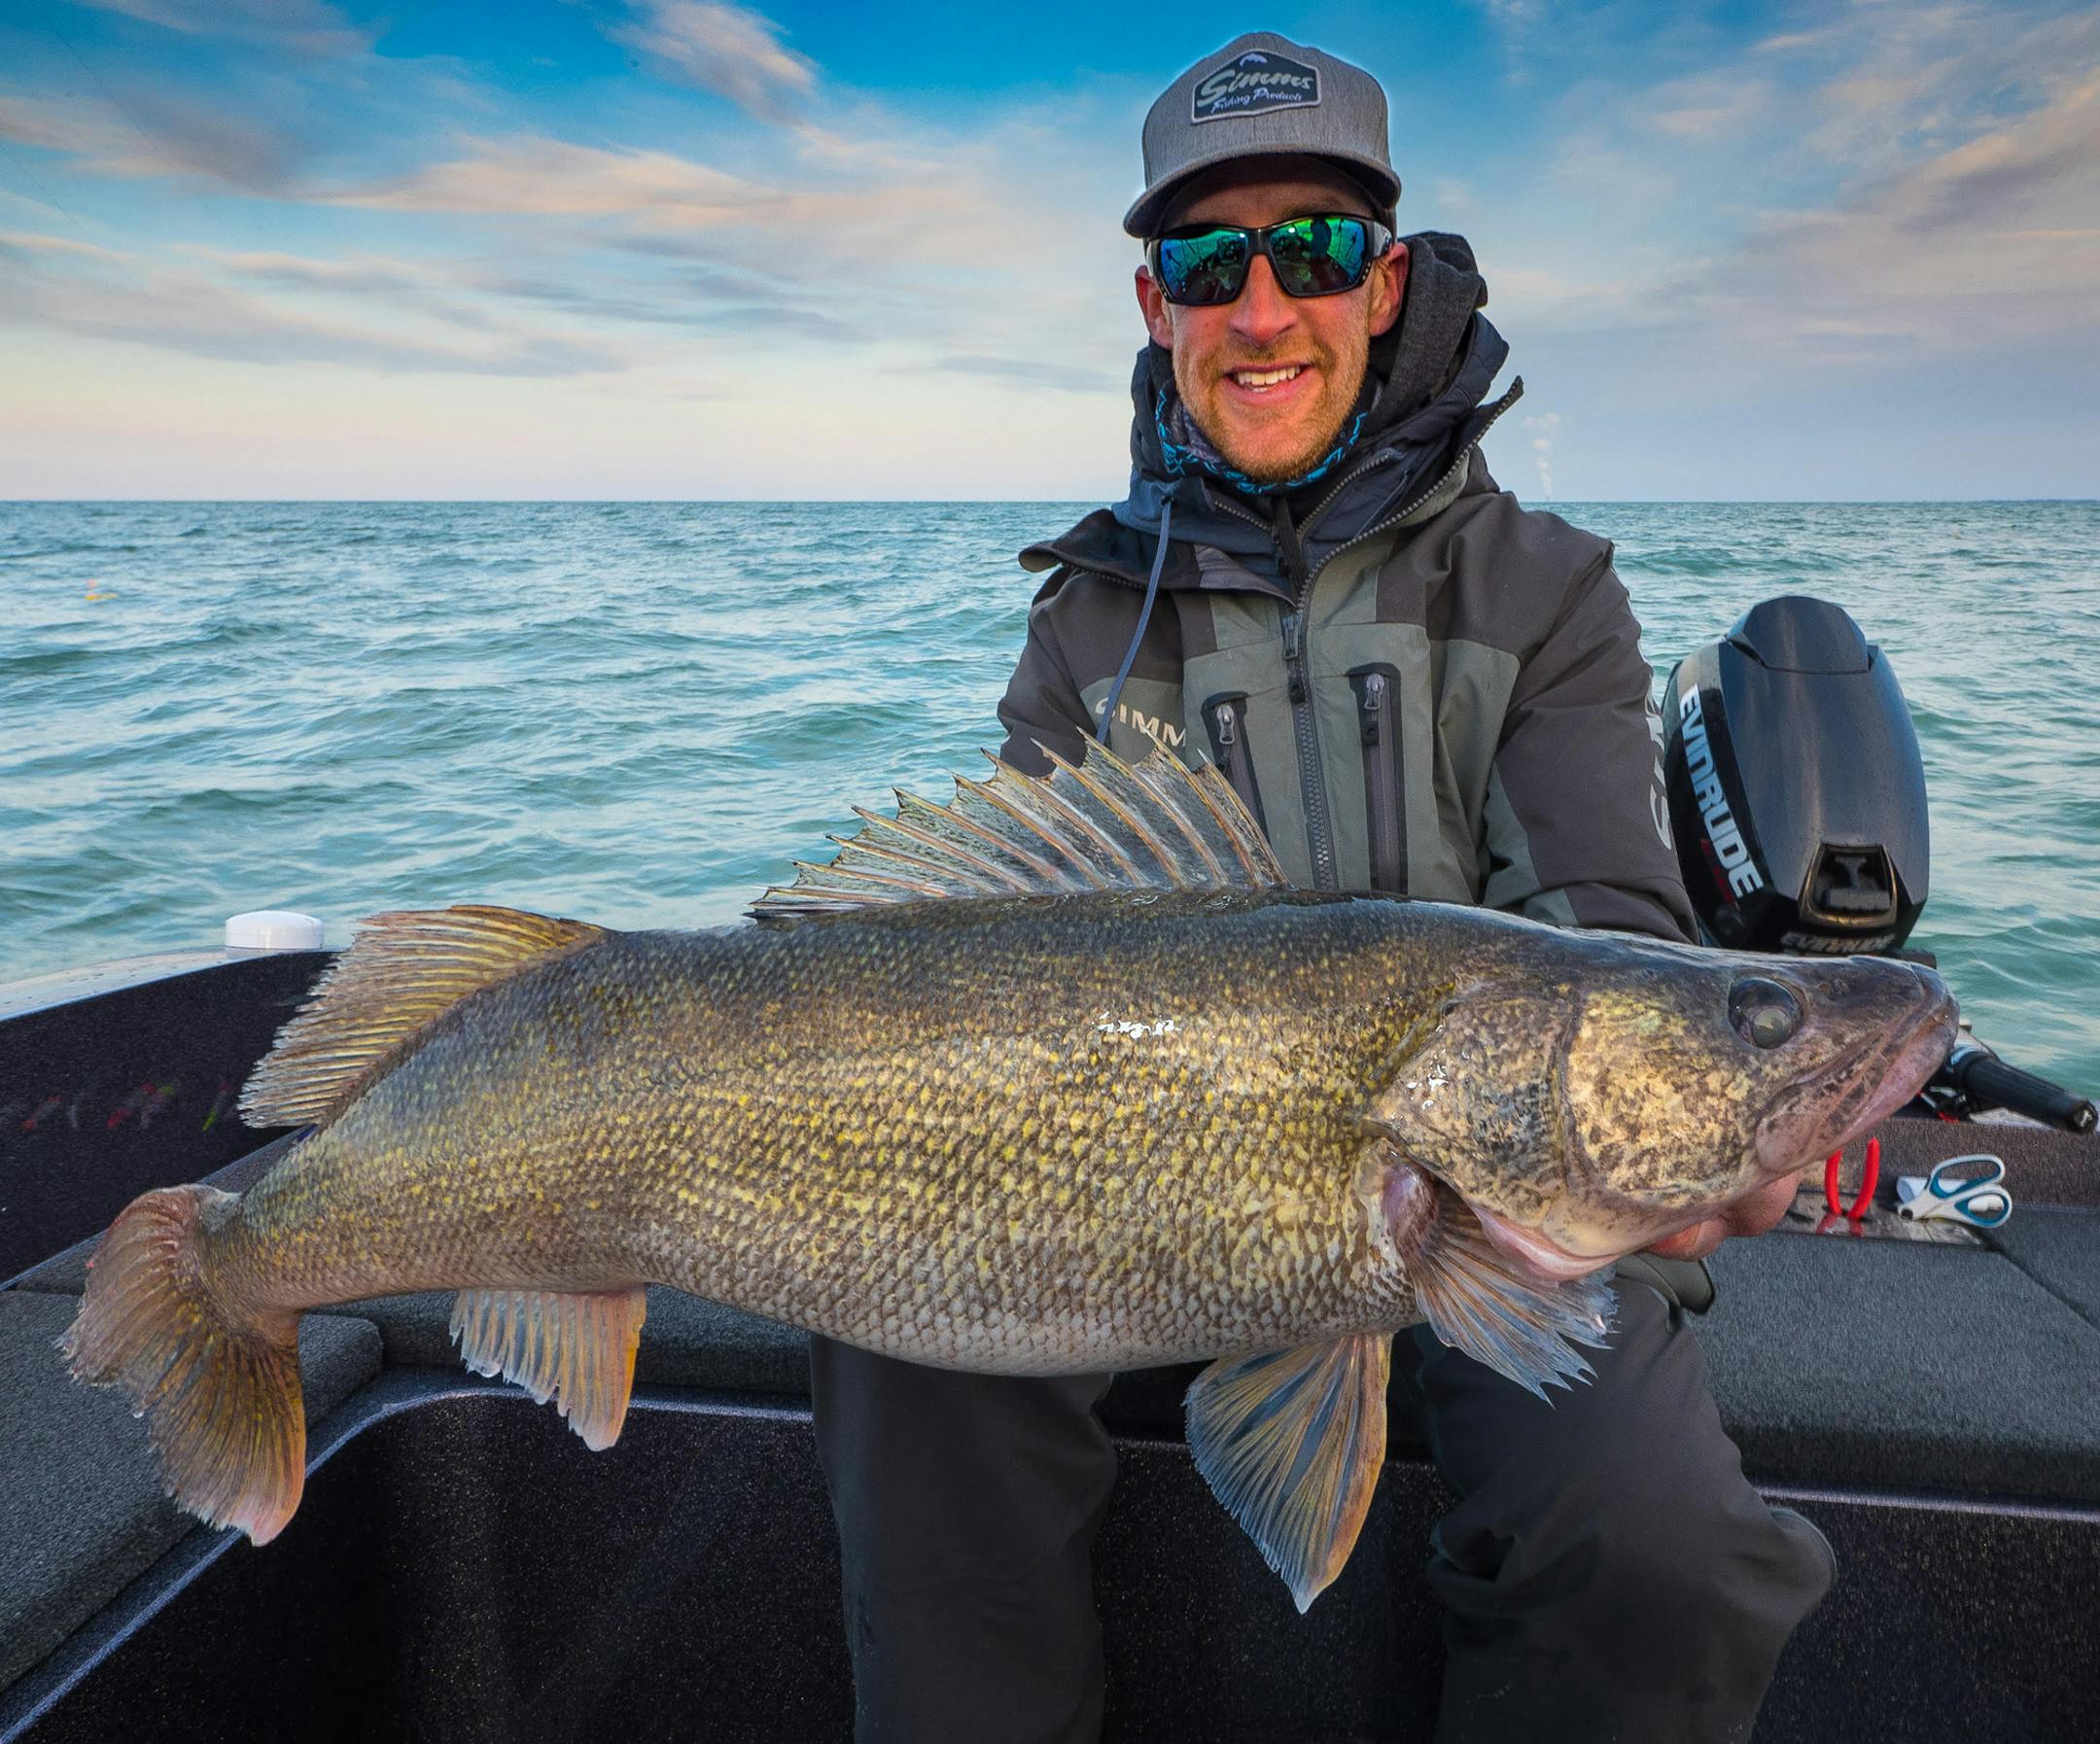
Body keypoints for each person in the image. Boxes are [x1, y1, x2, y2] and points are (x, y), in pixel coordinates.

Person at [811, 31, 1834, 1743]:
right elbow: (1017, 948)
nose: (1264, 305)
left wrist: (1693, 1112)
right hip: (1152, 1192)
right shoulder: (1083, 623)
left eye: (1315, 247)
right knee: (904, 1350)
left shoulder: (1546, 590)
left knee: (1656, 1540)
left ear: (1388, 280)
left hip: (1495, 1212)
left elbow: (1611, 928)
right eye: (1212, 262)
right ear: (1157, 305)